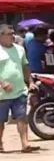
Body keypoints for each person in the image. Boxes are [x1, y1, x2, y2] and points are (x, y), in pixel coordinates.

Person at [0, 25, 36, 153]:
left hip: (19, 89)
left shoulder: (20, 49)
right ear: (1, 35)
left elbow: (25, 67)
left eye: (13, 33)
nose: (12, 36)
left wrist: (30, 82)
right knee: (1, 120)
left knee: (22, 117)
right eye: (9, 34)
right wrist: (2, 83)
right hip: (2, 93)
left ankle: (25, 143)